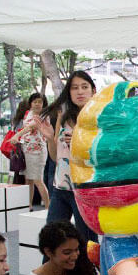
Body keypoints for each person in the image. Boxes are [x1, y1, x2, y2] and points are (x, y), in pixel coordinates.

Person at [41, 71, 98, 243]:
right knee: (53, 239)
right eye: (74, 88)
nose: (80, 92)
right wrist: (51, 138)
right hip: (60, 189)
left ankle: (89, 271)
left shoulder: (99, 120)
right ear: (69, 92)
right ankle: (50, 270)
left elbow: (102, 157)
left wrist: (79, 142)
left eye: (84, 87)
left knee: (86, 242)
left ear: (93, 91)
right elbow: (55, 157)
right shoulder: (63, 117)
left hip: (84, 189)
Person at [11, 92, 51, 211]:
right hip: (27, 150)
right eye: (35, 102)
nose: (37, 104)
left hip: (37, 152)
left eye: (40, 102)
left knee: (38, 180)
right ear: (30, 103)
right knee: (28, 180)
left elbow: (30, 127)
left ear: (43, 104)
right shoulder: (28, 114)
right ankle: (28, 205)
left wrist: (16, 136)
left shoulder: (43, 116)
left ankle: (48, 208)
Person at [10, 99, 29, 185]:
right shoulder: (25, 121)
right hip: (24, 150)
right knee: (25, 175)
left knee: (18, 173)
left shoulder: (16, 120)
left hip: (17, 151)